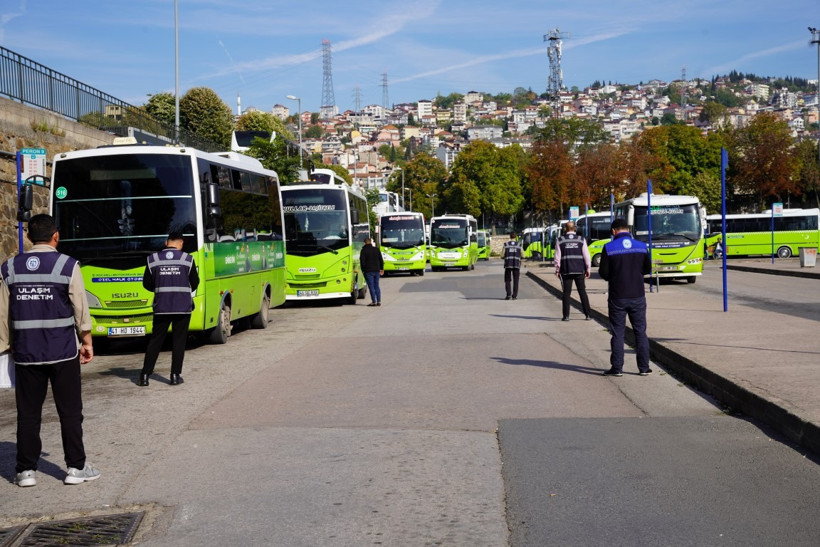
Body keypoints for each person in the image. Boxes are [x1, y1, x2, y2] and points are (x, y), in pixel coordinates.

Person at [0, 214, 100, 487]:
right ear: (56, 235)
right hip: (63, 351)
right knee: (69, 410)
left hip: (26, 353)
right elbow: (80, 306)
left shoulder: (9, 268)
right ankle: (76, 468)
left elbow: (3, 314)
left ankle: (25, 471)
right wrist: (87, 340)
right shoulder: (68, 265)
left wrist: (5, 347)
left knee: (28, 413)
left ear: (29, 237)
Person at [140, 231, 199, 386]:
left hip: (162, 307)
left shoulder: (152, 259)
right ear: (181, 244)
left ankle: (145, 376)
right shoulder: (188, 259)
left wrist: (160, 287)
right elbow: (195, 282)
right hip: (182, 307)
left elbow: (146, 284)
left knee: (155, 341)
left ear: (166, 243)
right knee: (179, 342)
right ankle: (174, 376)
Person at [598, 218, 653, 377]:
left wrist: (615, 277)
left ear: (614, 231)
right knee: (640, 332)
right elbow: (647, 268)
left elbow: (604, 273)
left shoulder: (609, 247)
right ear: (628, 230)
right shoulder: (642, 246)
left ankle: (617, 368)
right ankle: (643, 368)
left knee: (618, 333)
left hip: (617, 296)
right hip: (638, 295)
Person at [554, 221, 592, 321]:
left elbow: (557, 257)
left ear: (565, 229)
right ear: (574, 228)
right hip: (580, 270)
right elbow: (587, 256)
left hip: (566, 270)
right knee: (582, 292)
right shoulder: (581, 239)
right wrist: (588, 268)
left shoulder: (560, 240)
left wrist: (557, 269)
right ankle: (588, 315)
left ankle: (566, 316)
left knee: (566, 293)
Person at [360, 237, 384, 306]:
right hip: (377, 270)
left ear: (365, 242)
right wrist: (381, 269)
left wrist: (363, 270)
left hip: (368, 271)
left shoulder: (363, 251)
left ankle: (374, 301)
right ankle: (379, 301)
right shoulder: (376, 249)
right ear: (370, 242)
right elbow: (381, 260)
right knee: (377, 286)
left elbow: (362, 262)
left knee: (371, 287)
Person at [502, 232, 523, 300]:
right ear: (516, 237)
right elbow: (523, 255)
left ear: (510, 236)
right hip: (516, 265)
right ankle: (514, 296)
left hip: (508, 265)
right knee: (516, 280)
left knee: (507, 280)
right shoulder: (519, 245)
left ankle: (508, 295)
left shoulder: (506, 245)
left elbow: (502, 255)